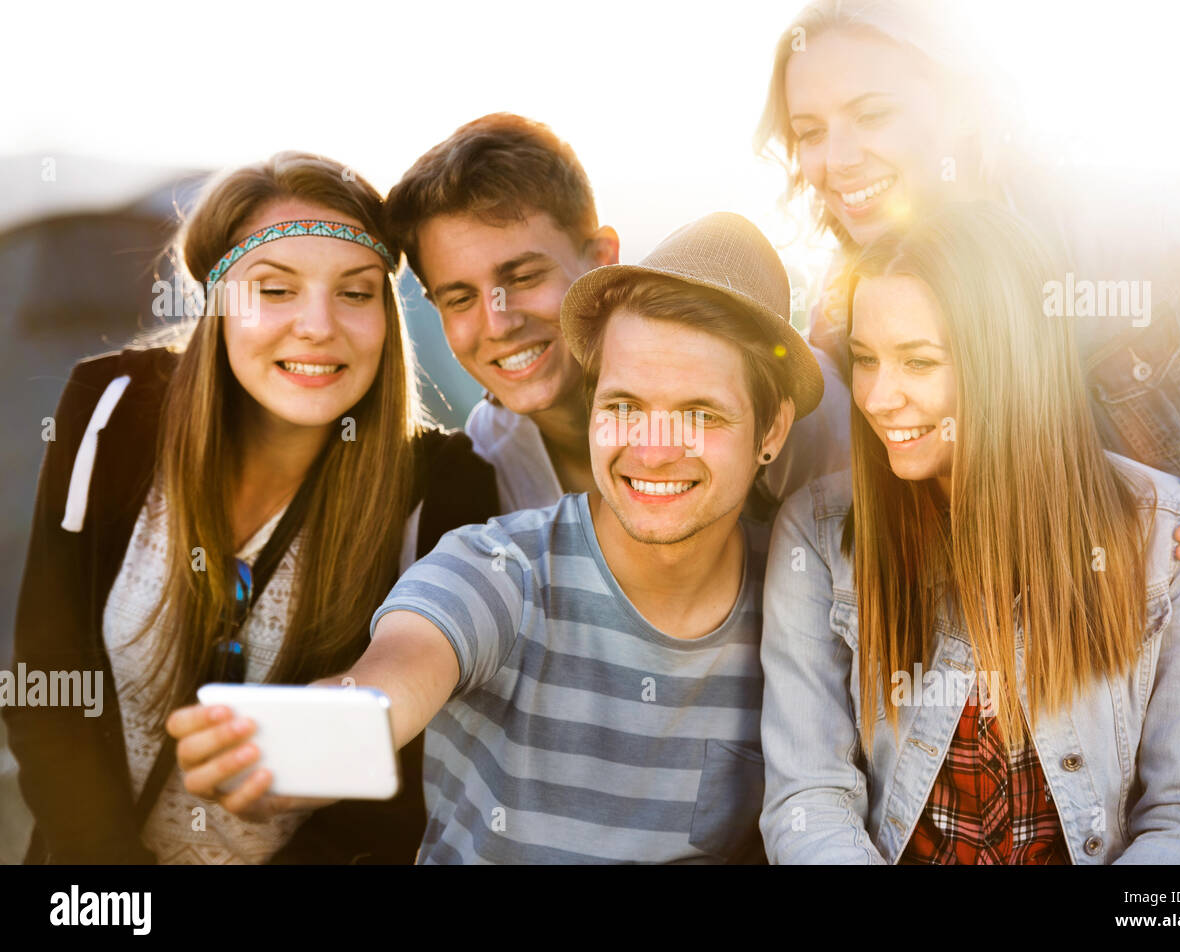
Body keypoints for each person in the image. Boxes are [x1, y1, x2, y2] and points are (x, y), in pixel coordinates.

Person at [756, 0, 1180, 858]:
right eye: (809, 130)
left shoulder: (1135, 222)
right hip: (1075, 709)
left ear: (964, 106)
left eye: (873, 114)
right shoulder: (850, 317)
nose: (836, 158)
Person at [168, 212, 823, 863]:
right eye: (624, 405)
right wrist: (307, 744)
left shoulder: (799, 599)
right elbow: (395, 675)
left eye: (699, 414)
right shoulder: (499, 568)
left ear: (770, 431)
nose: (653, 451)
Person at [4, 152, 498, 864]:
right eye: (275, 289)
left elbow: (408, 790)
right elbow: (47, 691)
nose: (318, 326)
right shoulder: (111, 409)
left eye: (356, 293)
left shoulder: (443, 487)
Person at [760, 201, 1180, 864]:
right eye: (866, 358)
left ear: (1010, 367)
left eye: (919, 361)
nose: (877, 397)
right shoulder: (816, 535)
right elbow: (809, 798)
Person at [385, 112, 850, 514]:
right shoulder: (484, 466)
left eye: (524, 278)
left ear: (603, 257)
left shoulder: (789, 406)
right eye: (460, 298)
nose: (499, 322)